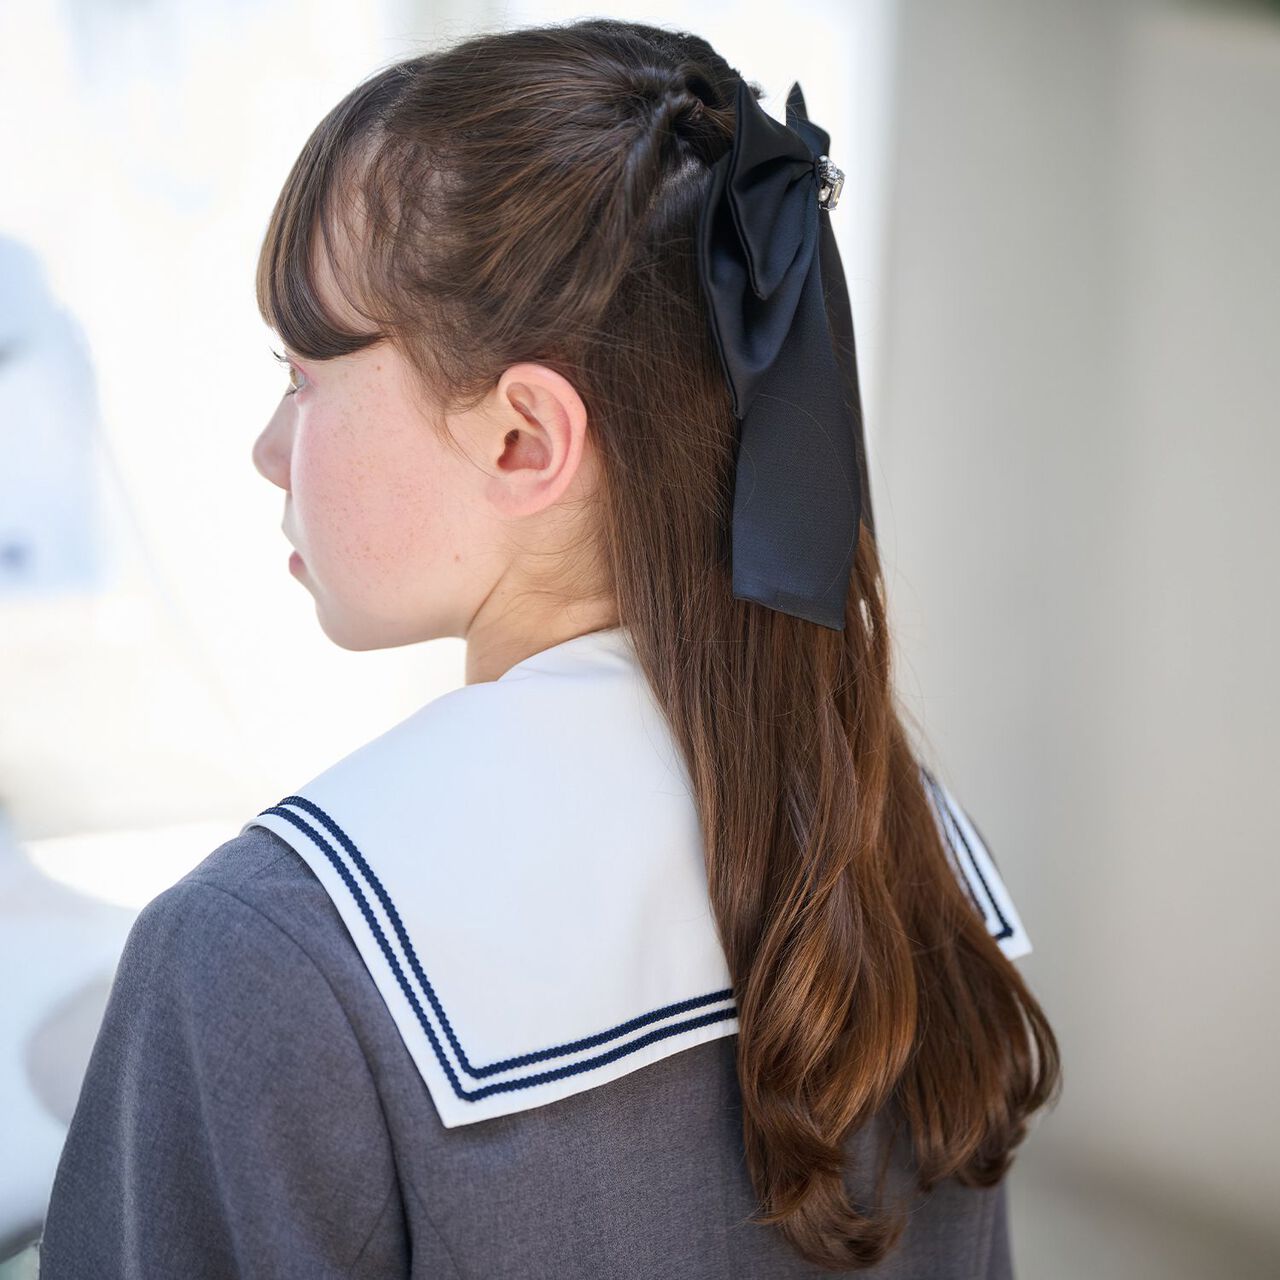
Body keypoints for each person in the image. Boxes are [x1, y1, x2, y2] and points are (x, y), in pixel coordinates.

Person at [37, 17, 1061, 1277]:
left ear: (524, 437)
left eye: (303, 373)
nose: (265, 445)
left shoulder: (262, 955)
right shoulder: (898, 840)